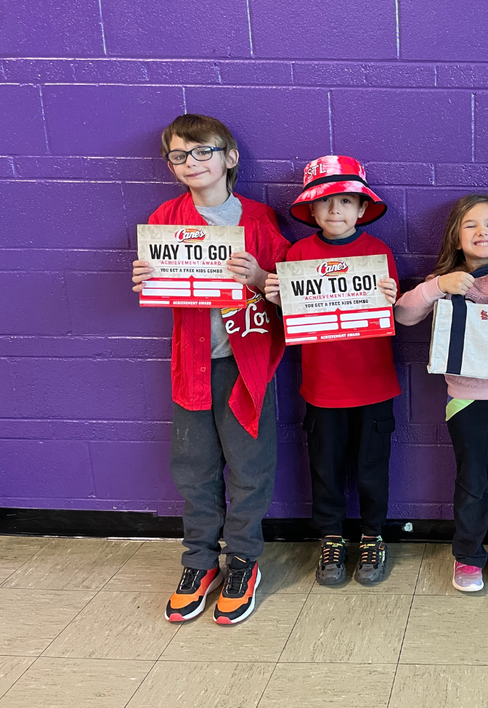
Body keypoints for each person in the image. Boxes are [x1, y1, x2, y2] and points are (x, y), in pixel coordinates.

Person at [131, 114, 289, 624]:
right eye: (179, 155)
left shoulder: (258, 219)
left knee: (249, 467)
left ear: (229, 157)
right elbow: (162, 284)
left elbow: (292, 292)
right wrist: (148, 278)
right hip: (194, 365)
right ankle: (199, 561)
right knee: (193, 468)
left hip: (247, 365)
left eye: (202, 152)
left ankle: (243, 559)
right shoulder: (166, 217)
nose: (191, 162)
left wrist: (261, 276)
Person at [394, 194, 488, 592]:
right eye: (471, 225)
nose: (483, 231)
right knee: (471, 481)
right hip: (463, 400)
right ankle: (468, 554)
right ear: (456, 238)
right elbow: (403, 315)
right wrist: (436, 287)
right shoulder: (444, 281)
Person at [265, 156, 399, 587]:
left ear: (362, 208)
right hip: (322, 388)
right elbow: (290, 319)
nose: (335, 209)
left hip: (374, 385)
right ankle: (331, 537)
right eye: (325, 202)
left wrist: (392, 297)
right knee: (325, 469)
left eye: (345, 201)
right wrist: (278, 298)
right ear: (311, 209)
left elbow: (394, 313)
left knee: (372, 468)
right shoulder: (298, 255)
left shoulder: (379, 253)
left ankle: (373, 535)